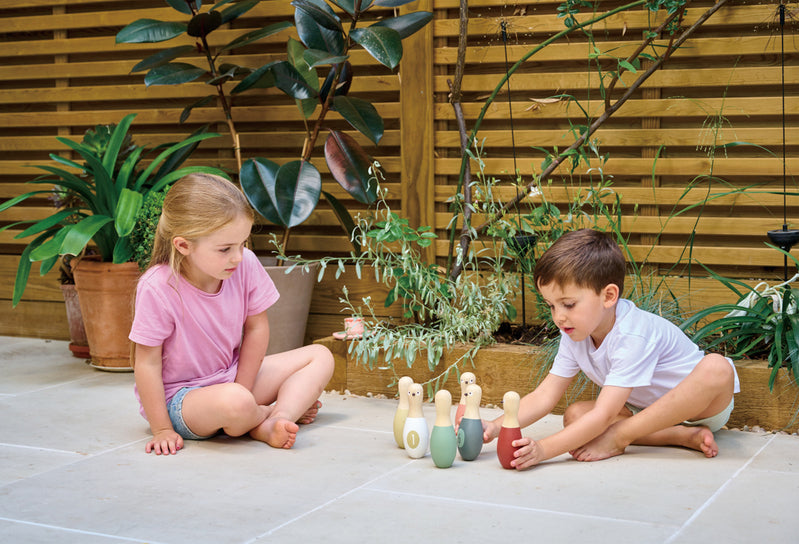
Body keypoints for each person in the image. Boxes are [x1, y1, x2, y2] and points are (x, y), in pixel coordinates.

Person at [483, 228, 739, 469]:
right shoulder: (573, 332)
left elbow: (605, 415)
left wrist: (543, 449)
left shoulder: (632, 333)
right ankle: (679, 436)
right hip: (643, 410)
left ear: (608, 296)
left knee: (717, 366)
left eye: (568, 304)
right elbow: (545, 396)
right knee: (575, 415)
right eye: (551, 306)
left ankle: (620, 436)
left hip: (701, 406)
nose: (558, 317)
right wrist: (497, 427)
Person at [129, 173, 334, 455]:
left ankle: (278, 418)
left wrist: (245, 388)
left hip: (233, 377)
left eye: (243, 244)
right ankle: (261, 416)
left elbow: (256, 329)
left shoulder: (244, 264)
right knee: (235, 402)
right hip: (183, 400)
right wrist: (162, 428)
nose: (238, 256)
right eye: (225, 249)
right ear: (183, 246)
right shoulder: (157, 288)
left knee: (320, 356)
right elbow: (147, 364)